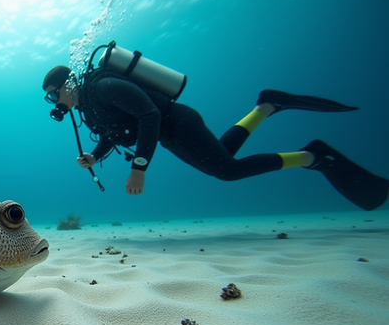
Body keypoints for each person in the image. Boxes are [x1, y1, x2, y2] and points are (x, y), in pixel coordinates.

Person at [42, 65, 389, 211]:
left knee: (227, 170)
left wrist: (140, 167)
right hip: (171, 134)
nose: (53, 103)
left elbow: (149, 115)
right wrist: (94, 156)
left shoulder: (102, 87)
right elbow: (115, 134)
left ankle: (311, 156)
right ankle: (266, 106)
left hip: (178, 123)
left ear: (67, 85)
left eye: (52, 94)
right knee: (223, 157)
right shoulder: (89, 106)